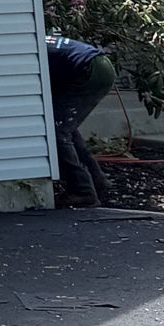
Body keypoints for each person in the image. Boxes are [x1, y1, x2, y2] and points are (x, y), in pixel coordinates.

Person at [46, 33, 118, 207]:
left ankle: (83, 191)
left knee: (57, 131)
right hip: (97, 65)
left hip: (91, 71)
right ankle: (97, 180)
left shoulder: (27, 53)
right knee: (65, 127)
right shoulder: (37, 41)